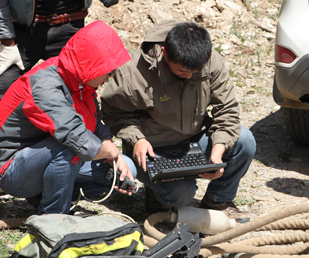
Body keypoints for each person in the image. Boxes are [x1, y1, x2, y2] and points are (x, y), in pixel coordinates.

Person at [101, 19, 256, 215]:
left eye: (195, 72)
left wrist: (217, 153)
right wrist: (137, 139)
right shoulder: (133, 72)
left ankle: (218, 200)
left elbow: (227, 110)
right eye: (182, 70)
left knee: (244, 140)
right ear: (164, 53)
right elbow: (114, 112)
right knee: (182, 195)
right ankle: (156, 193)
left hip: (193, 141)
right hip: (152, 150)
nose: (189, 76)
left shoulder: (210, 61)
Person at [0, 20, 136, 214]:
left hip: (47, 157)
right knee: (73, 146)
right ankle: (53, 217)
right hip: (11, 168)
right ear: (93, 65)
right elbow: (74, 136)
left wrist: (110, 148)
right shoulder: (45, 85)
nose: (110, 77)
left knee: (124, 169)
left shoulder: (80, 82)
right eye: (109, 72)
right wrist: (107, 152)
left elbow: (94, 121)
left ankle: (48, 195)